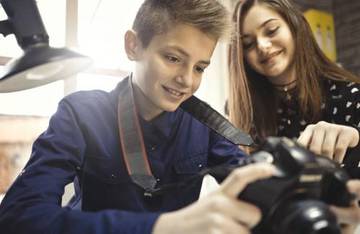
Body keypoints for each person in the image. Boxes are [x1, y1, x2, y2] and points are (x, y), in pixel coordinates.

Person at [0, 0, 276, 233]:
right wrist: (162, 226)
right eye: (172, 58)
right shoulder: (80, 113)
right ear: (133, 46)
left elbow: (254, 183)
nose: (186, 80)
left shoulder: (206, 125)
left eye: (200, 68)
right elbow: (18, 216)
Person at [228, 0, 360, 163]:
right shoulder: (241, 111)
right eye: (248, 44)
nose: (262, 45)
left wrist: (356, 138)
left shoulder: (350, 95)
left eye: (271, 31)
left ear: (295, 26)